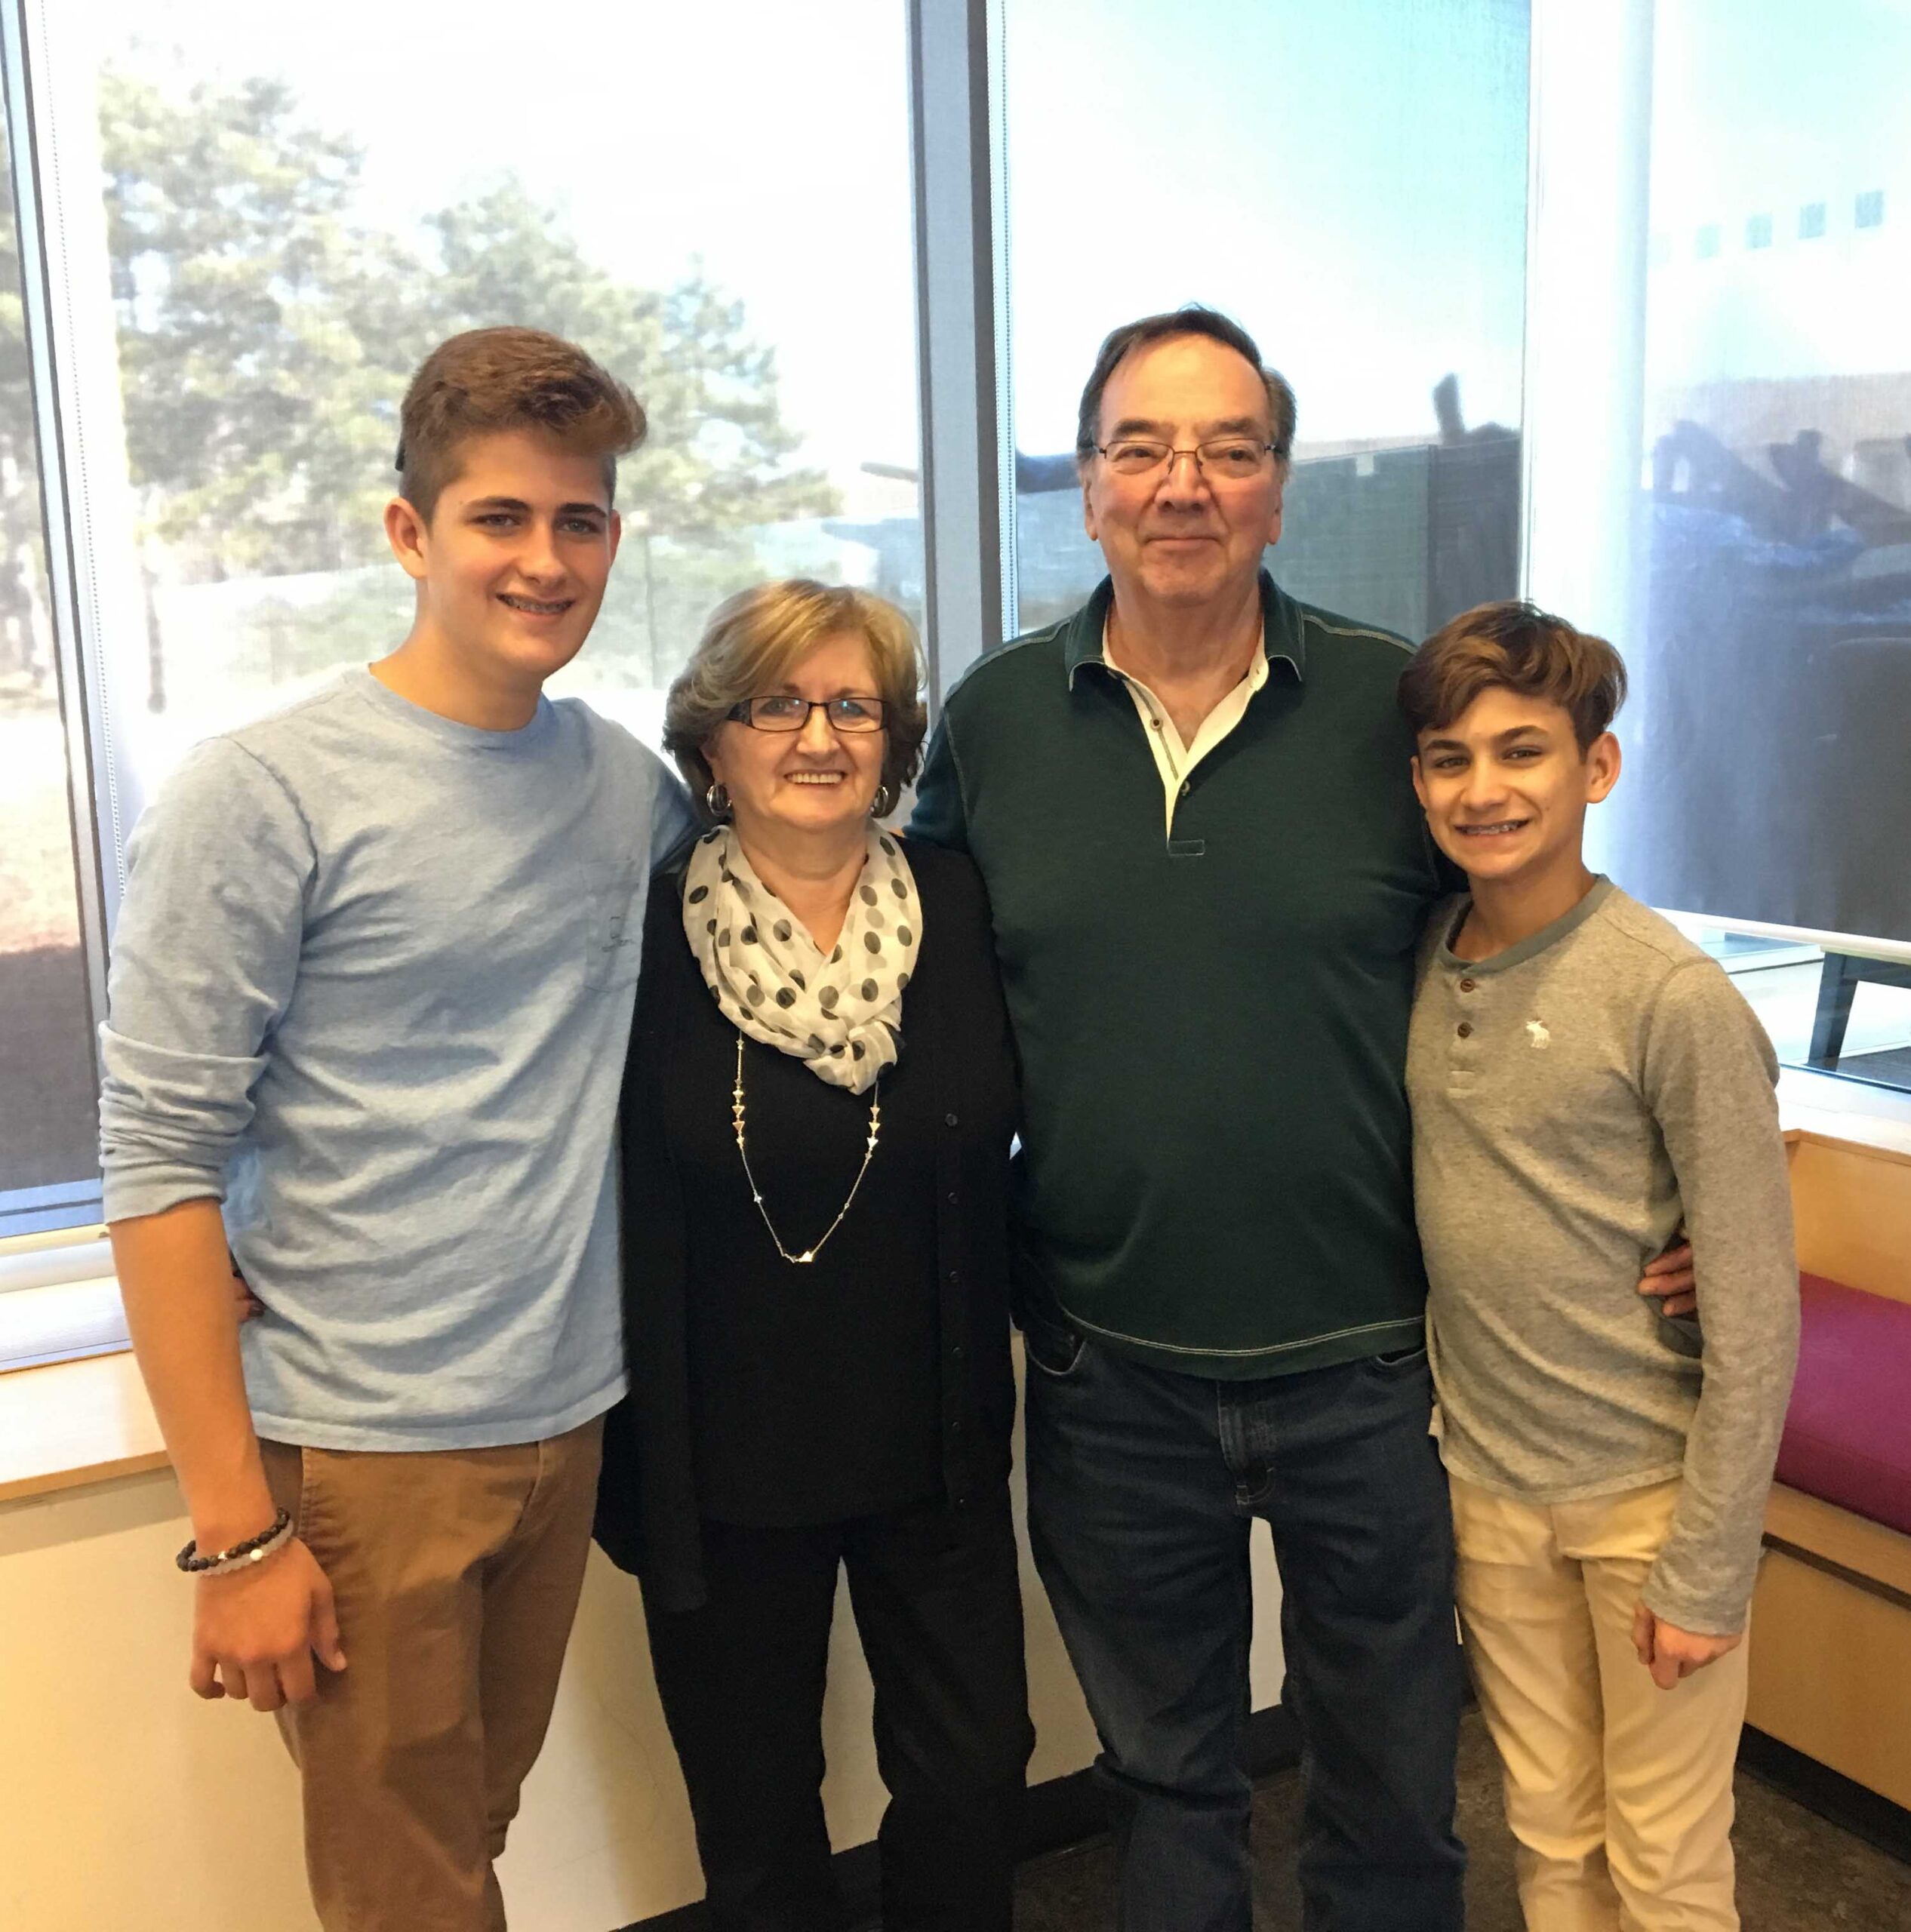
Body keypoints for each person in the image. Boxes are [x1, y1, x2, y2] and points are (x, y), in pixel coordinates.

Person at [909, 304, 1697, 1931]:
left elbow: (1542, 939)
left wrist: (1672, 1178)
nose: (1181, 482)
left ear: (1279, 491)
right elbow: (892, 953)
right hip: (1107, 1366)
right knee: (1171, 1785)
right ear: (1088, 486)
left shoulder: (1387, 709)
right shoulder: (990, 724)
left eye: (1228, 449)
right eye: (1142, 446)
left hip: (1377, 1364)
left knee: (1397, 1787)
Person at [100, 326, 695, 1931]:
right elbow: (156, 1155)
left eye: (579, 522)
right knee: (408, 1886)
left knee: (460, 1835)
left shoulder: (628, 791)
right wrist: (236, 1533)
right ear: (410, 533)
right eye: (500, 517)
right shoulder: (264, 791)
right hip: (364, 1449)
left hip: (567, 1416)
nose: (544, 557)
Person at [594, 580, 1033, 1932]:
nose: (817, 737)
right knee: (759, 1813)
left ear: (895, 740)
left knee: (972, 1780)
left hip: (936, 1447)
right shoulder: (638, 934)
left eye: (853, 705)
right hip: (721, 1468)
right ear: (711, 742)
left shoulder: (960, 909)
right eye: (774, 704)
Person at [1398, 601, 1799, 1931]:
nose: (1485, 788)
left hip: (1645, 1499)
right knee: (1550, 1835)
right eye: (1450, 758)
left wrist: (1710, 1566)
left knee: (1668, 1863)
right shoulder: (1421, 962)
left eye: (1523, 752)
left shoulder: (1670, 995)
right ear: (1418, 782)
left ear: (1599, 768)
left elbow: (1756, 1316)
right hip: (1491, 1490)